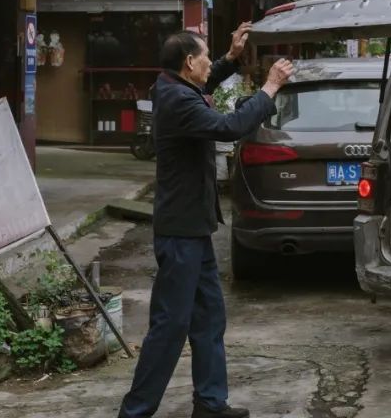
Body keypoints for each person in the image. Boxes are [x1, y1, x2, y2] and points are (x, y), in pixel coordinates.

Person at [119, 23, 294, 418]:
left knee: (209, 318)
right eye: (204, 55)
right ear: (188, 63)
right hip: (180, 231)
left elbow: (205, 80)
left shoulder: (173, 85)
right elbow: (229, 128)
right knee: (170, 326)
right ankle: (135, 412)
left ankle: (211, 404)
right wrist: (268, 88)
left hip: (194, 227)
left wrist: (231, 58)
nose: (206, 62)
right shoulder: (180, 101)